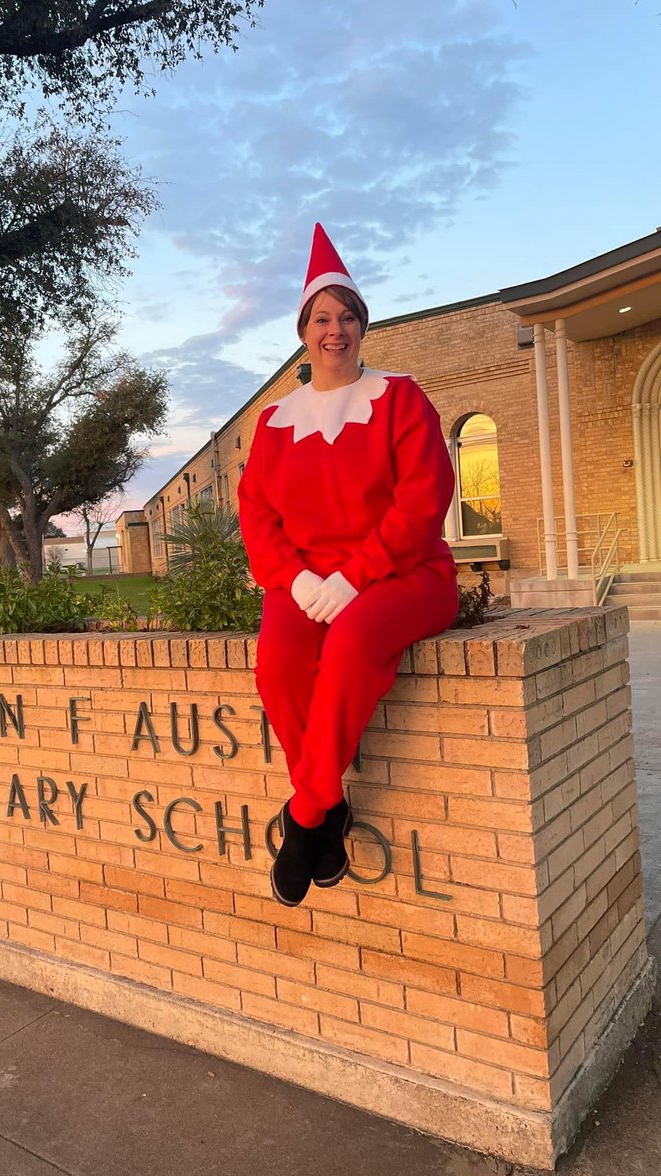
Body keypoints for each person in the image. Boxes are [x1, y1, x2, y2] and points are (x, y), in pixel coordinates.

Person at [237, 224, 459, 907]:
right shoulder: (274, 421)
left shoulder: (400, 398)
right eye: (322, 318)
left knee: (353, 642)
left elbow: (424, 499)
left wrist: (356, 576)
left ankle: (307, 815)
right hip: (306, 582)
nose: (336, 330)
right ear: (303, 331)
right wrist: (296, 577)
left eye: (347, 317)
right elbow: (256, 512)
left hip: (404, 573)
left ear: (363, 326)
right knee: (277, 665)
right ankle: (330, 802)